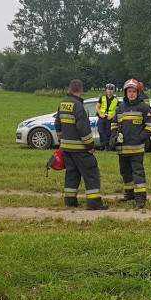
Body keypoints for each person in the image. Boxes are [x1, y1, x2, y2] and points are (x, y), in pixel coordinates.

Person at [54, 79, 108, 210]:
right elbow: (83, 128)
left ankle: (70, 200)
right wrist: (90, 146)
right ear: (82, 89)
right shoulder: (78, 106)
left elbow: (57, 124)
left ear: (69, 89)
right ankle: (94, 203)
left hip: (66, 148)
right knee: (91, 173)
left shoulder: (63, 104)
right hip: (80, 148)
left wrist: (62, 141)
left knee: (72, 174)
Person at [110, 78, 151, 209]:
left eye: (133, 91)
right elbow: (114, 124)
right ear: (125, 93)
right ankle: (129, 194)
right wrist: (114, 135)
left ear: (138, 92)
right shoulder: (120, 108)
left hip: (136, 149)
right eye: (129, 91)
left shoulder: (144, 107)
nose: (131, 94)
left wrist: (140, 138)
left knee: (138, 173)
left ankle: (140, 198)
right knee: (125, 172)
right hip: (122, 149)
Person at [95, 83, 118, 150]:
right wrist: (100, 114)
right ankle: (103, 145)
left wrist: (112, 116)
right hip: (102, 117)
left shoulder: (115, 100)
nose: (110, 91)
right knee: (101, 131)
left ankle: (107, 147)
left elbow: (118, 110)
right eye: (108, 89)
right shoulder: (102, 98)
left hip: (110, 118)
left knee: (108, 133)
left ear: (113, 90)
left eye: (111, 89)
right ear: (106, 90)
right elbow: (97, 107)